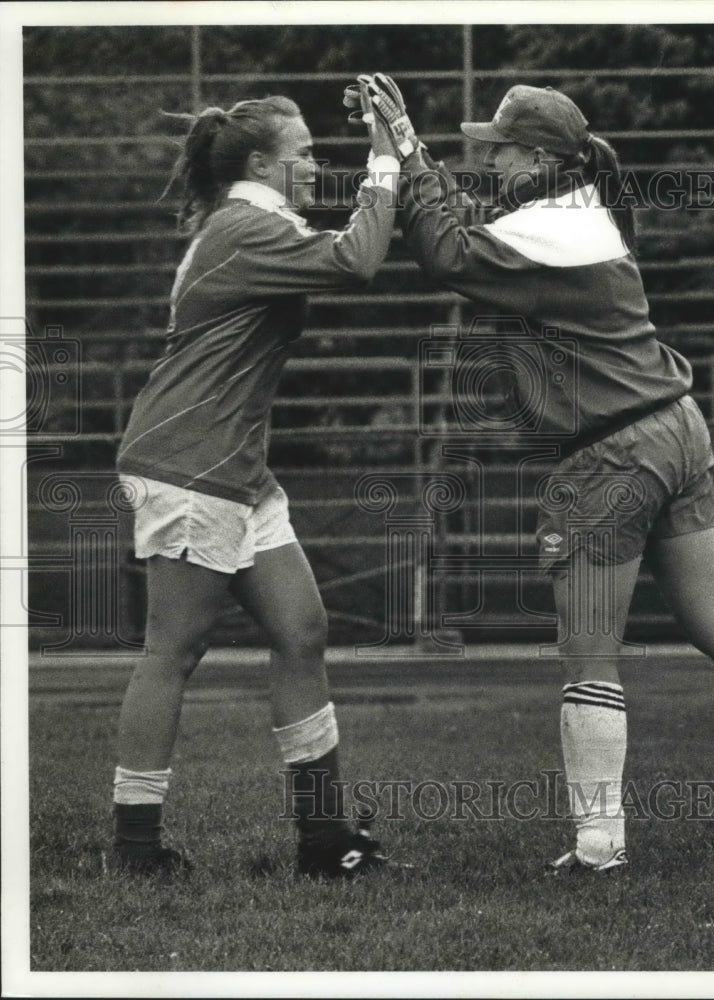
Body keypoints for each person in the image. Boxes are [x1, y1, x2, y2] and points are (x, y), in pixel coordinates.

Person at [365, 79, 714, 872]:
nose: (490, 160)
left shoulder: (542, 224)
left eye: (498, 148)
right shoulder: (576, 214)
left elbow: (445, 253)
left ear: (537, 156)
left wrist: (403, 151)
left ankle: (598, 847)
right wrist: (411, 144)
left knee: (587, 654)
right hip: (675, 430)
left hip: (612, 452)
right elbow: (466, 232)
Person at [112, 95, 402, 878]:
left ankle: (322, 838)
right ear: (261, 166)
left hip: (235, 467)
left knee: (302, 630)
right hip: (188, 462)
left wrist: (396, 163)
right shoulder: (247, 228)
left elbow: (350, 245)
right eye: (303, 152)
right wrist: (386, 158)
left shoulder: (250, 226)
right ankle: (134, 850)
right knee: (173, 650)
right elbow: (357, 260)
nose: (314, 163)